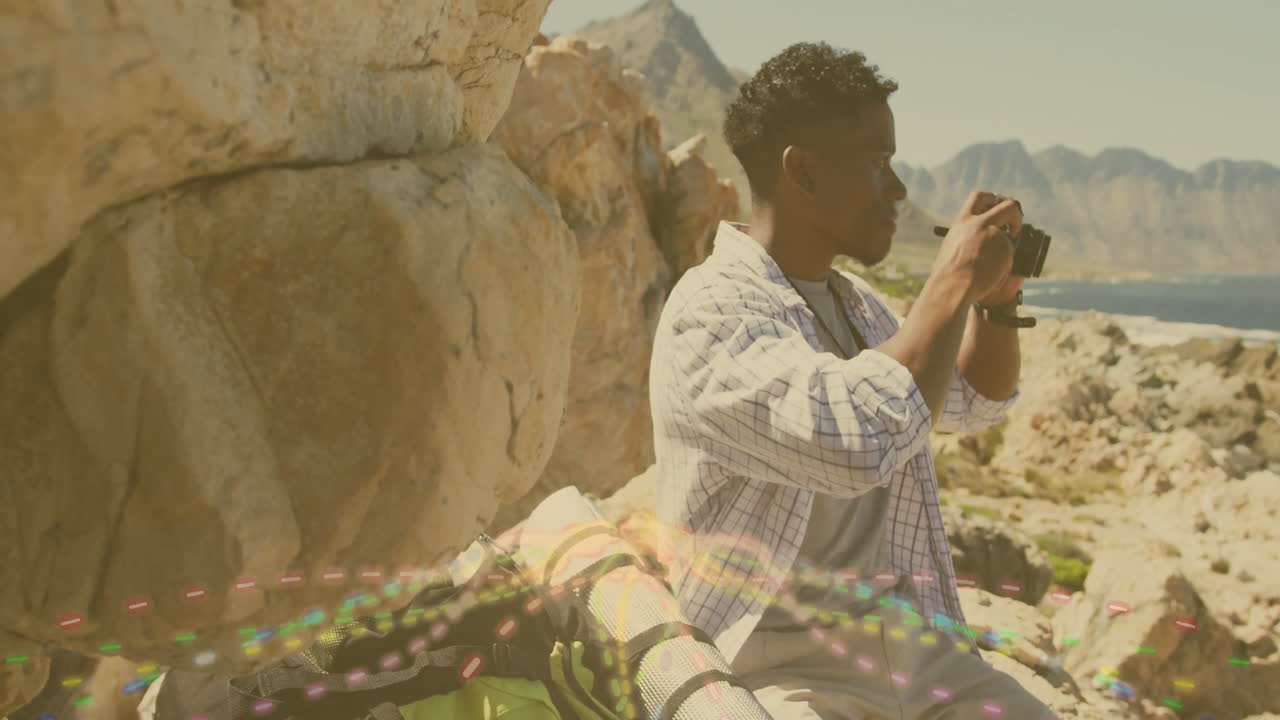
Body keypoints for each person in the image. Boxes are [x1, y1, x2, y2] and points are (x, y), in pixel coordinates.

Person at [647, 42, 1057, 719]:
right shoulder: (712, 313)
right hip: (778, 666)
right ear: (801, 172)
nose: (898, 190)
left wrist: (995, 302)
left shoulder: (857, 304)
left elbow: (971, 401)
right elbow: (856, 442)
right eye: (877, 165)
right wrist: (951, 277)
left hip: (913, 650)